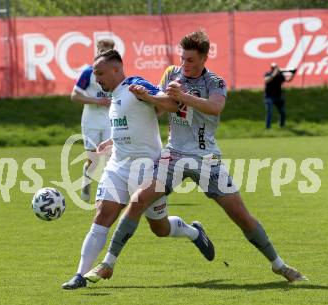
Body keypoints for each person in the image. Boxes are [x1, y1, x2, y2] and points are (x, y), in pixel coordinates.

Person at [85, 30, 307, 284]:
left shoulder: (215, 82)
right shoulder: (172, 74)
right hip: (174, 155)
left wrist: (184, 97)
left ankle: (279, 265)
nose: (184, 65)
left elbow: (215, 107)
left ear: (204, 57)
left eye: (190, 60)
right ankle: (108, 264)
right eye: (182, 58)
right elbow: (158, 107)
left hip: (206, 159)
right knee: (138, 201)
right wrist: (146, 100)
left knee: (241, 216)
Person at [62, 49, 215, 290]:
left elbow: (173, 104)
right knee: (103, 214)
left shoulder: (136, 84)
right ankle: (79, 275)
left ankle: (193, 232)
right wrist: (112, 141)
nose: (97, 79)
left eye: (100, 73)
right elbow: (130, 124)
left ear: (116, 69)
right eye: (95, 74)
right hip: (118, 166)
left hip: (148, 168)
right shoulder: (114, 95)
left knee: (160, 228)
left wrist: (150, 96)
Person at [71, 39, 114, 201]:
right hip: (91, 121)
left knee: (111, 157)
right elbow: (74, 95)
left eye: (105, 51)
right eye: (100, 50)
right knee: (93, 160)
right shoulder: (88, 72)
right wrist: (97, 101)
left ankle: (108, 193)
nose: (101, 53)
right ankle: (86, 179)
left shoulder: (115, 74)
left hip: (109, 121)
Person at [264, 62, 296, 129]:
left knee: (282, 112)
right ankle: (268, 128)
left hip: (278, 96)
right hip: (269, 97)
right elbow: (266, 81)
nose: (275, 69)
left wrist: (293, 74)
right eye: (274, 68)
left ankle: (282, 126)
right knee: (269, 112)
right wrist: (274, 74)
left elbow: (288, 80)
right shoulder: (268, 74)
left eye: (276, 68)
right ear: (271, 68)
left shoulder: (280, 76)